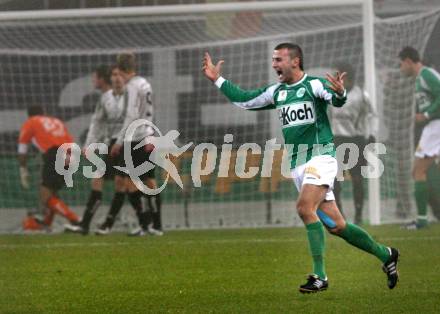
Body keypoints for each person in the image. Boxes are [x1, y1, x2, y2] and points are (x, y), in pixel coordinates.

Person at [202, 43, 399, 293]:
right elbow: (245, 100)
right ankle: (387, 255)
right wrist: (217, 79)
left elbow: (335, 100)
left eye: (279, 60)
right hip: (297, 165)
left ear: (295, 61)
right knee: (337, 225)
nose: (274, 64)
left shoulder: (314, 85)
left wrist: (339, 94)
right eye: (273, 60)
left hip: (322, 158)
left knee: (304, 208)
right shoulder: (278, 92)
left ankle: (320, 276)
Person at [99, 53, 163, 236]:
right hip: (146, 135)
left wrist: (119, 142)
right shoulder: (144, 83)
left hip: (135, 138)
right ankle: (156, 226)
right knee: (149, 181)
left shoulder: (132, 87)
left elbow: (131, 116)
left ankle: (145, 226)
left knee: (131, 184)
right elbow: (149, 111)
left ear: (121, 69)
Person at [64, 65, 127, 235]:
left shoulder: (125, 95)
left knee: (124, 185)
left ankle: (109, 223)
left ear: (101, 79)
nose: (93, 81)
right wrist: (88, 145)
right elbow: (96, 124)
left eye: (94, 77)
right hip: (110, 144)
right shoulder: (105, 98)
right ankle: (87, 224)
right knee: (102, 181)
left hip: (126, 143)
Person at [18, 105, 79, 231]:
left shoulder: (31, 122)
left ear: (29, 116)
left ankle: (76, 219)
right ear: (44, 113)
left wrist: (23, 169)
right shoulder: (56, 121)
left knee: (45, 195)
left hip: (55, 153)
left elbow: (22, 149)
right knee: (52, 193)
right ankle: (46, 222)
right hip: (71, 154)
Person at [399, 46, 440, 229]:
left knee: (418, 171)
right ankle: (422, 219)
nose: (401, 68)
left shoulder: (426, 74)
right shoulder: (420, 78)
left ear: (408, 61)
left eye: (401, 64)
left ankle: (422, 220)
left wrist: (427, 114)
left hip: (436, 126)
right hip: (432, 127)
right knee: (417, 172)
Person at [331, 62, 371, 225]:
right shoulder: (331, 94)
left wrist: (372, 133)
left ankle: (359, 214)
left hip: (356, 140)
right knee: (335, 179)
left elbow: (372, 115)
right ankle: (339, 213)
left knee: (357, 178)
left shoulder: (362, 95)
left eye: (340, 75)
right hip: (337, 140)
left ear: (348, 78)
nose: (336, 78)